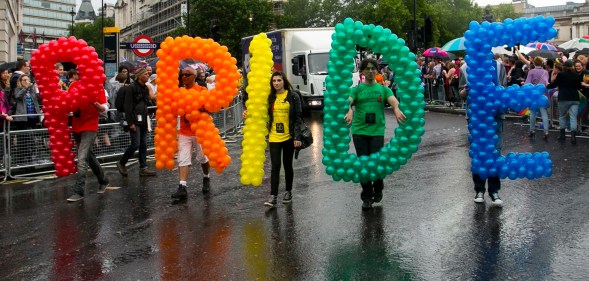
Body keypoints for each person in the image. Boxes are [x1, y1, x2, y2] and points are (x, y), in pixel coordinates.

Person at [344, 59, 406, 210]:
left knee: (377, 163)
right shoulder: (357, 90)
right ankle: (366, 196)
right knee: (363, 164)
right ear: (362, 72)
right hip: (359, 131)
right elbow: (348, 101)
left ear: (377, 71)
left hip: (377, 131)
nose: (370, 71)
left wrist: (397, 109)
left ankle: (378, 186)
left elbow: (393, 101)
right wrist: (349, 109)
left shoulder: (383, 89)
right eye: (367, 68)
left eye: (373, 68)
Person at [458, 61, 504, 206]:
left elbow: (504, 89)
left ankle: (494, 191)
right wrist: (466, 90)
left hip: (495, 116)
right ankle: (479, 190)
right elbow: (461, 94)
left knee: (495, 153)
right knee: (479, 153)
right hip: (476, 118)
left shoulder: (498, 66)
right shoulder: (465, 67)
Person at [263, 71, 304, 207]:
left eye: (279, 80)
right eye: (274, 81)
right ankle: (273, 196)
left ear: (284, 81)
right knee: (275, 166)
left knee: (287, 165)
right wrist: (248, 114)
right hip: (274, 136)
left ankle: (288, 191)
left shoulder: (293, 96)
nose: (276, 83)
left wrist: (297, 137)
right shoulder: (270, 97)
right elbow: (262, 114)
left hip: (289, 137)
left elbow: (298, 117)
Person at [171, 67, 212, 200]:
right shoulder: (179, 92)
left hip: (200, 131)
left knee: (202, 158)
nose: (184, 77)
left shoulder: (202, 90)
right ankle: (182, 187)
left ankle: (206, 177)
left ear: (194, 76)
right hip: (184, 131)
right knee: (183, 159)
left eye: (187, 74)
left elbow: (211, 107)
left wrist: (202, 109)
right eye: (182, 74)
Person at [66, 84, 111, 202]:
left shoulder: (98, 87)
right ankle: (103, 180)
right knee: (88, 155)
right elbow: (68, 103)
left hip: (90, 126)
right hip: (76, 126)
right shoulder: (74, 85)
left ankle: (79, 191)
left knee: (82, 158)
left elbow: (104, 108)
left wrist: (94, 102)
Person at [116, 68, 157, 177]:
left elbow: (146, 103)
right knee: (135, 144)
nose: (147, 75)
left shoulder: (144, 88)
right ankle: (121, 163)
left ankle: (143, 168)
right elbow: (127, 106)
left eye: (148, 74)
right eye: (145, 74)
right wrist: (130, 123)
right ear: (138, 76)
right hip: (134, 120)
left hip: (143, 119)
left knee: (143, 145)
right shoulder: (131, 88)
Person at [548, 60, 581, 144]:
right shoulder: (576, 75)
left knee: (562, 116)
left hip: (563, 98)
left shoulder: (561, 74)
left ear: (564, 66)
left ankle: (562, 135)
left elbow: (555, 84)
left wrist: (548, 85)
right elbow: (579, 86)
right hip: (574, 98)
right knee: (573, 117)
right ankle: (573, 136)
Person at [525, 57, 550, 139]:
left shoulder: (531, 72)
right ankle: (546, 131)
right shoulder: (546, 72)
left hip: (534, 94)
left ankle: (532, 130)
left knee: (532, 113)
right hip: (543, 95)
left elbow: (527, 83)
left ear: (534, 63)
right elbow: (546, 82)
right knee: (544, 113)